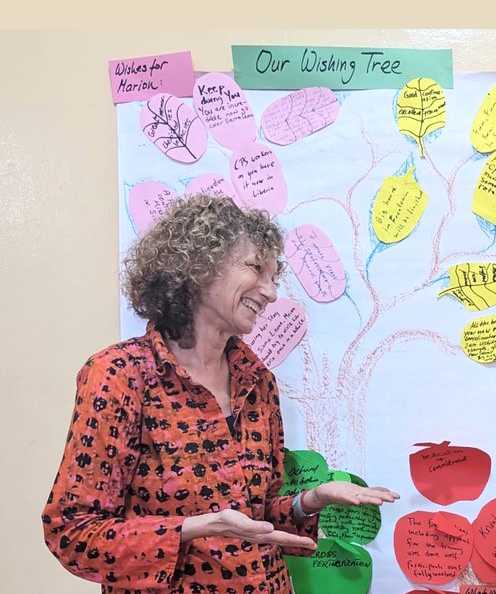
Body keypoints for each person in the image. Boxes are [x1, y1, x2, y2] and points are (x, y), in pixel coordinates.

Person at [42, 195, 399, 594]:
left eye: (274, 277)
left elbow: (258, 516)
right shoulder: (120, 376)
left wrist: (310, 501)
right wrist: (196, 528)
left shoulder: (258, 382)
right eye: (256, 269)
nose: (270, 292)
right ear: (198, 266)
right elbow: (72, 533)